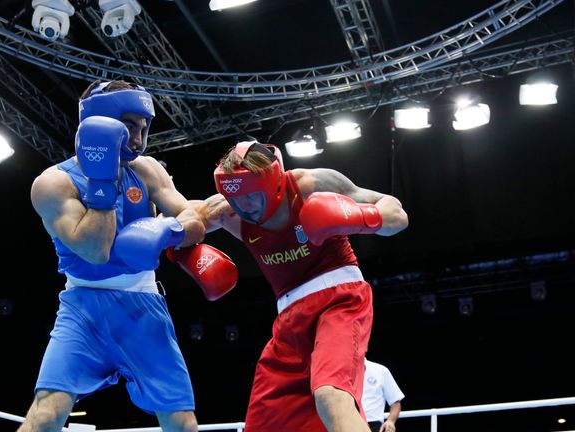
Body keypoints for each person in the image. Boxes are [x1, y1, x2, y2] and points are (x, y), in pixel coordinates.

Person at [20, 80, 225, 432]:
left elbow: (193, 219)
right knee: (46, 414)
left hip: (142, 304)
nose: (138, 138)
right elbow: (95, 252)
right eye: (130, 125)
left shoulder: (147, 170)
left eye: (144, 128)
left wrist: (166, 231)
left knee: (182, 424)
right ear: (101, 121)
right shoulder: (53, 184)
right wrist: (105, 181)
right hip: (82, 308)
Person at [191, 141, 409, 432]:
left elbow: (397, 214)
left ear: (273, 182)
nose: (244, 207)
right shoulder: (227, 209)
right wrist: (174, 245)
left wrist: (361, 216)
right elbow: (183, 219)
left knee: (331, 395)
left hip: (340, 300)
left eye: (252, 196)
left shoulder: (311, 185)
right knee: (263, 423)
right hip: (289, 320)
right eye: (236, 198)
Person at [361, 358, 405, 432]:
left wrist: (391, 421)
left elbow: (395, 402)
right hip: (347, 423)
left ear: (365, 348)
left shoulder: (381, 371)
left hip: (373, 426)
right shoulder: (341, 371)